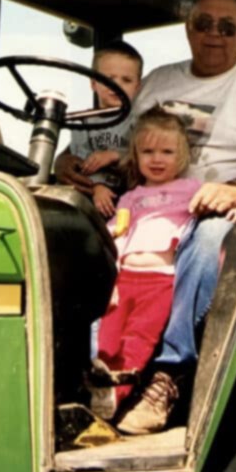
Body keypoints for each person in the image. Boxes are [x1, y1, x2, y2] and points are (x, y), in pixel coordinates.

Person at [55, 0, 236, 434]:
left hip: (214, 208)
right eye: (203, 23)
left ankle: (169, 374)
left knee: (208, 237)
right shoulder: (159, 81)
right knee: (60, 225)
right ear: (187, 28)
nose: (214, 34)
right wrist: (65, 161)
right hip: (145, 203)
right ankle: (74, 371)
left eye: (227, 28)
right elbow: (112, 137)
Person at [89, 107, 200, 421]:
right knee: (108, 336)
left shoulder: (191, 189)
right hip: (125, 278)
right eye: (148, 151)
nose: (157, 158)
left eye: (167, 151)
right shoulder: (130, 198)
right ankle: (100, 387)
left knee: (140, 337)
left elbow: (208, 209)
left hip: (160, 280)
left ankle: (117, 397)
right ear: (135, 155)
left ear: (182, 156)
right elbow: (117, 233)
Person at [66, 41, 143, 216]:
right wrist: (96, 187)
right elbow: (80, 163)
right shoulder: (82, 121)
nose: (117, 86)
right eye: (109, 79)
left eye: (127, 80)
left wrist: (115, 155)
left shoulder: (138, 123)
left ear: (137, 87)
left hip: (128, 195)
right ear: (93, 83)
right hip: (89, 194)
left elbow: (143, 158)